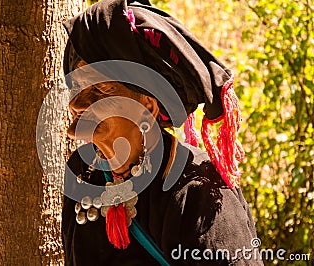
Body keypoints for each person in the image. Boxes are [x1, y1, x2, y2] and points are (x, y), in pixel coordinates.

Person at [61, 0, 263, 265]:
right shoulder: (82, 172)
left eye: (100, 91)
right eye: (77, 89)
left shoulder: (199, 191)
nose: (76, 104)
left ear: (147, 106)